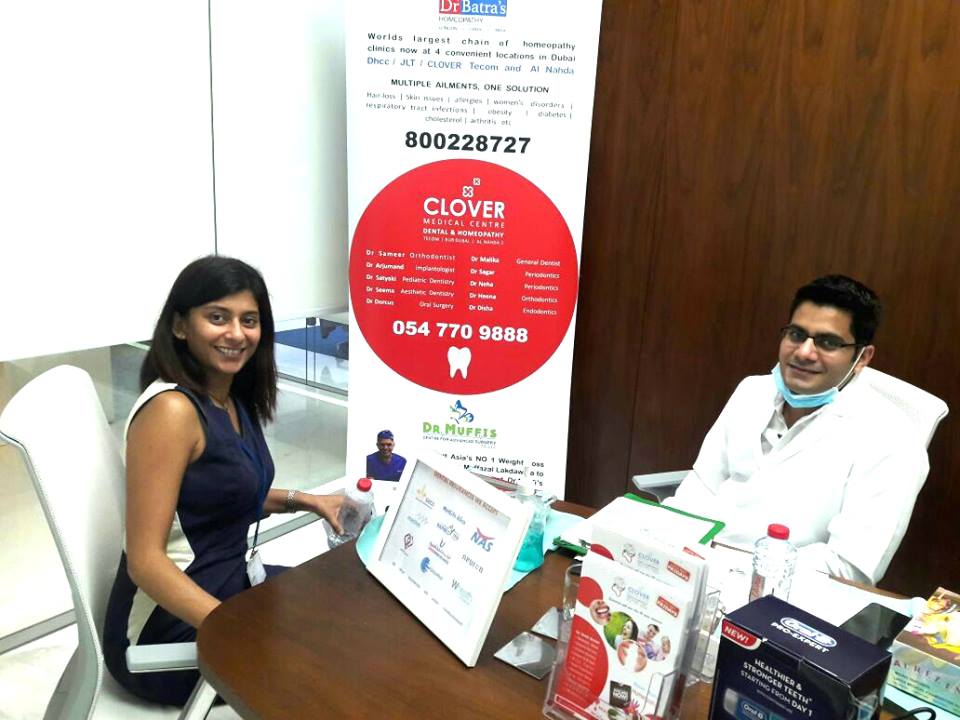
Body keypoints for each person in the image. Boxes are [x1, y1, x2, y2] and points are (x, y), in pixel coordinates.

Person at [103, 256, 345, 706]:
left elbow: (222, 496)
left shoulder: (229, 397)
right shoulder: (172, 412)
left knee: (343, 609)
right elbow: (145, 562)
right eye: (218, 317)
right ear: (180, 326)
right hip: (166, 630)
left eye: (248, 320)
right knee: (331, 663)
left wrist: (309, 500)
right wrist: (234, 630)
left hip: (228, 585)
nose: (236, 333)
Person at [668, 275, 930, 585]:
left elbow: (848, 567)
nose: (804, 352)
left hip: (780, 593)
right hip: (692, 569)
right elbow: (699, 490)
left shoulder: (893, 440)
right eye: (796, 334)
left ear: (862, 358)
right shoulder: (752, 391)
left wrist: (738, 570)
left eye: (828, 342)